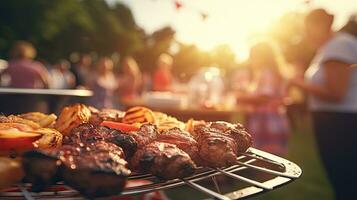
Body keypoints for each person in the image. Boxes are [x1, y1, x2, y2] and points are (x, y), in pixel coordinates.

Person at [290, 9, 357, 200]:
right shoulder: (331, 47)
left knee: (346, 181)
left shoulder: (339, 46)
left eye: (307, 28)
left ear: (320, 25)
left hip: (341, 124)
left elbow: (336, 93)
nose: (305, 33)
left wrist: (298, 83)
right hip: (335, 122)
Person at [237, 42, 290, 156]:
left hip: (266, 123)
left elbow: (264, 97)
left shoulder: (267, 73)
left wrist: (241, 98)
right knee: (273, 161)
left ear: (262, 56)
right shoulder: (274, 72)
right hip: (276, 120)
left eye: (253, 55)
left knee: (264, 159)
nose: (251, 59)